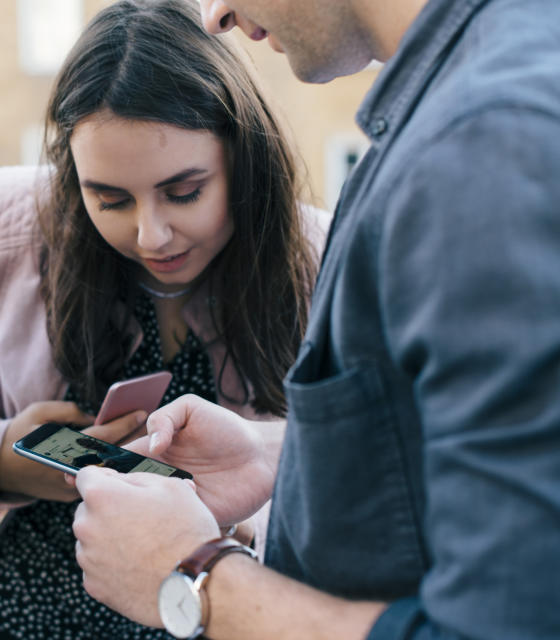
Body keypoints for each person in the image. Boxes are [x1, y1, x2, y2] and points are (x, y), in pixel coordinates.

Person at [72, 0, 560, 638]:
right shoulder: (473, 96)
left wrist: (194, 575)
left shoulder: (482, 143)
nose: (214, 15)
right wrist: (275, 452)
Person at [0, 1, 327, 638]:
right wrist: (1, 457)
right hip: (4, 605)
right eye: (109, 199)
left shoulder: (318, 256)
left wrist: (245, 510)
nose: (152, 235)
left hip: (202, 606)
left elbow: (354, 453)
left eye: (184, 191)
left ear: (243, 157)